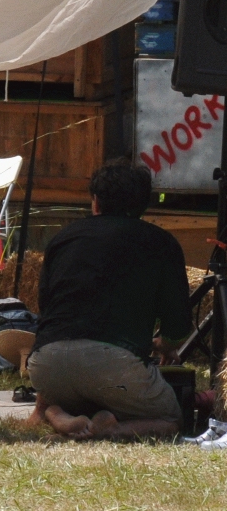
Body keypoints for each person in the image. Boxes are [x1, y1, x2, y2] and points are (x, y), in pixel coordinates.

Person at [27, 159, 191, 440]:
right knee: (170, 419)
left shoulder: (62, 238)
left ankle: (54, 415)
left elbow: (46, 307)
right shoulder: (161, 242)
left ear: (95, 202)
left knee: (75, 394)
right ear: (143, 205)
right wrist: (166, 345)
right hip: (113, 367)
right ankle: (112, 429)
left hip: (45, 364)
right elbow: (178, 323)